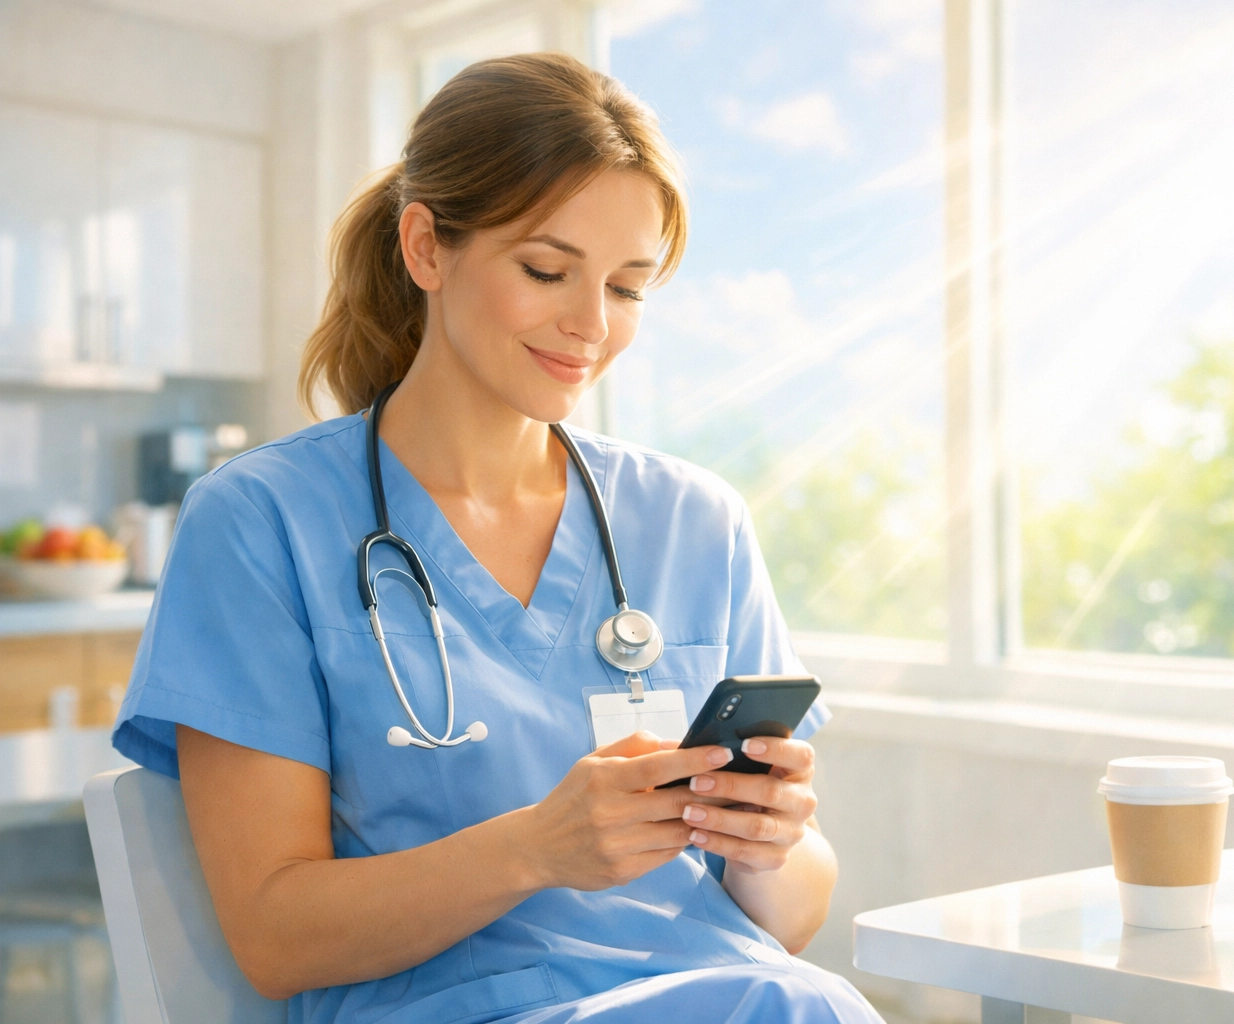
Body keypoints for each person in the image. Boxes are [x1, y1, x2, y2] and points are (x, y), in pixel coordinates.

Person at [111, 52, 884, 1024]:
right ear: (427, 248)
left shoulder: (693, 521)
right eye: (547, 270)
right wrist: (535, 848)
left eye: (630, 287)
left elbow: (792, 914)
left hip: (726, 991)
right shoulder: (265, 521)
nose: (592, 325)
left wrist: (768, 842)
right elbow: (274, 936)